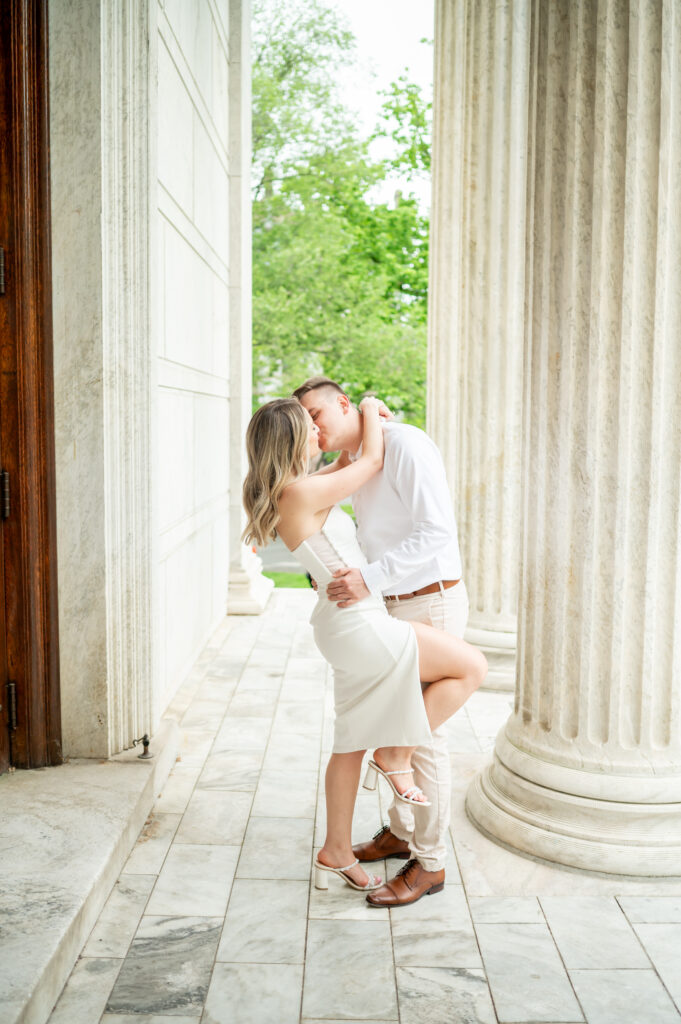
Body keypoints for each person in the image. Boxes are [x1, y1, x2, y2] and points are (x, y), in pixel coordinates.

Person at [242, 396, 486, 897]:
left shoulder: (296, 490)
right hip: (362, 622)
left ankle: (336, 850)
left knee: (348, 743)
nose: (315, 430)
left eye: (316, 417)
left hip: (342, 623)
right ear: (291, 440)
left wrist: (358, 421)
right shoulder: (303, 492)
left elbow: (348, 465)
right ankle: (395, 753)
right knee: (471, 668)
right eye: (306, 424)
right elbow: (369, 461)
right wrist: (372, 409)